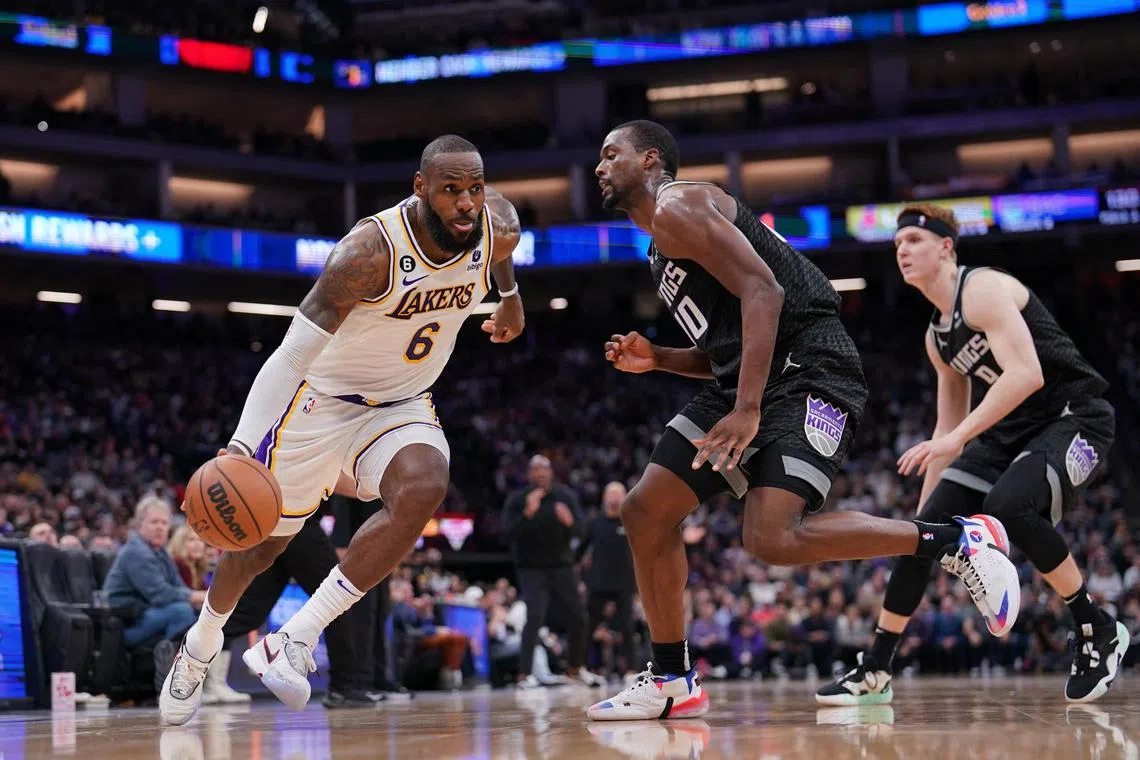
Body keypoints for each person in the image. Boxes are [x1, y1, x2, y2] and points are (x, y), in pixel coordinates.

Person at [586, 120, 1021, 721]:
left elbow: (765, 293)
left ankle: (955, 540)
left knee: (772, 538)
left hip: (812, 366)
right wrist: (659, 358)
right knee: (644, 511)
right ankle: (671, 679)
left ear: (650, 159)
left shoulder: (678, 205)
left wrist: (747, 409)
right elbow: (731, 347)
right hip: (748, 378)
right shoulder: (661, 246)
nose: (599, 167)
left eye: (612, 154)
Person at [159, 135, 525, 725]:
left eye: (475, 189)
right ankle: (199, 647)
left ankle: (294, 638)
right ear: (420, 188)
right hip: (322, 404)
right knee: (261, 545)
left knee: (426, 484)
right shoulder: (369, 252)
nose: (465, 202)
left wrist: (509, 297)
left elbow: (499, 250)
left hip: (401, 403)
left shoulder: (496, 224)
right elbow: (289, 357)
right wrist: (241, 448)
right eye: (451, 189)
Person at [817, 204, 1127, 706]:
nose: (902, 251)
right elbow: (946, 429)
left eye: (914, 240)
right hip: (1009, 433)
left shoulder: (981, 288)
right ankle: (875, 668)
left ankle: (1096, 626)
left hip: (1074, 415)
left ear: (946, 247)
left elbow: (1026, 374)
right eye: (897, 244)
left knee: (1010, 505)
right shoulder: (937, 337)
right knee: (918, 539)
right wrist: (922, 522)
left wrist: (957, 437)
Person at [502, 455, 604, 688]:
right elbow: (507, 534)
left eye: (544, 469)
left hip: (562, 566)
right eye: (535, 469)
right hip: (531, 568)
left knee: (579, 617)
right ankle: (525, 674)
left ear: (551, 473)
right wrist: (527, 514)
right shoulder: (518, 500)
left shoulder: (565, 496)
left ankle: (576, 669)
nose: (540, 474)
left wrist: (569, 522)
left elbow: (581, 532)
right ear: (529, 474)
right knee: (534, 617)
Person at [103, 497, 205, 687]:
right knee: (182, 611)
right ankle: (168, 674)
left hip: (150, 615)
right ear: (140, 525)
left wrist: (198, 599)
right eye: (154, 522)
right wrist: (198, 596)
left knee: (199, 614)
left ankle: (190, 677)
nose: (160, 527)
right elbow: (160, 595)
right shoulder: (136, 552)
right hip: (128, 623)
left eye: (164, 523)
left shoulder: (160, 552)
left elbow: (178, 586)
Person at [581, 481, 638, 679]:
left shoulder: (632, 521)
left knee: (627, 628)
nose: (614, 498)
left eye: (618, 493)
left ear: (625, 496)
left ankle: (631, 670)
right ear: (604, 497)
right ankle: (584, 669)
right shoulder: (594, 523)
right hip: (598, 583)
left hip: (624, 584)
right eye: (610, 493)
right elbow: (579, 551)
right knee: (589, 627)